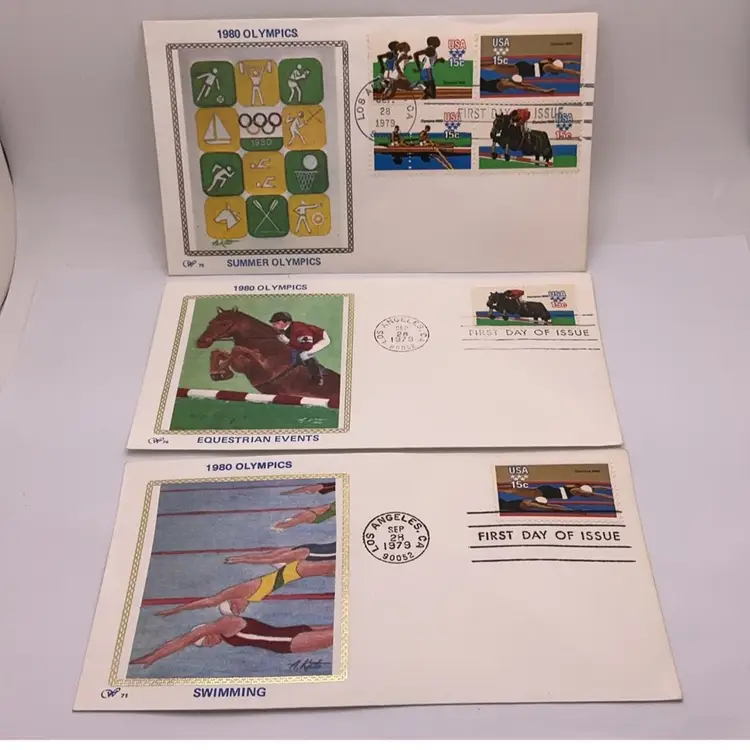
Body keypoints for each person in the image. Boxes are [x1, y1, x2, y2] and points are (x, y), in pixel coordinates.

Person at [156, 556, 335, 617]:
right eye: (239, 612)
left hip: (294, 570)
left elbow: (209, 601)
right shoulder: (249, 597)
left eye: (237, 609)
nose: (242, 610)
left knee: (337, 567)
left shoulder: (238, 591)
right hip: (294, 573)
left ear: (231, 601)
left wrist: (175, 610)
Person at [130, 614, 333, 666]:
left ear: (206, 633)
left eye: (205, 642)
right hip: (292, 633)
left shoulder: (225, 624)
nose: (210, 645)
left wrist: (154, 656)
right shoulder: (228, 634)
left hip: (289, 641)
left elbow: (183, 641)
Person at [269, 311, 330, 386]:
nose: (273, 325)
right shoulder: (286, 328)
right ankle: (314, 368)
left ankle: (318, 378)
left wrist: (288, 342)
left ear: (285, 323)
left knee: (304, 354)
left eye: (276, 323)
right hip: (305, 341)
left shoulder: (299, 329)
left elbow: (307, 346)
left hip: (321, 339)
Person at [481, 58, 580, 95]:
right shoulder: (548, 67)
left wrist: (577, 63)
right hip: (522, 70)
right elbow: (563, 70)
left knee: (496, 66)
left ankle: (479, 64)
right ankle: (479, 65)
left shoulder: (549, 61)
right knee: (496, 67)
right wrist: (577, 73)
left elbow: (566, 62)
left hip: (523, 67)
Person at [498, 483, 596, 513]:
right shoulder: (529, 503)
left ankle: (499, 488)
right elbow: (550, 507)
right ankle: (499, 488)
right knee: (518, 491)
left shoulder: (528, 501)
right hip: (503, 505)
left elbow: (552, 506)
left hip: (546, 490)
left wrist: (571, 510)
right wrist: (571, 511)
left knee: (519, 491)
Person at [225, 541, 336, 566]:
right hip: (309, 552)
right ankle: (239, 559)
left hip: (313, 547)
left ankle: (238, 558)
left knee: (268, 556)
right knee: (270, 559)